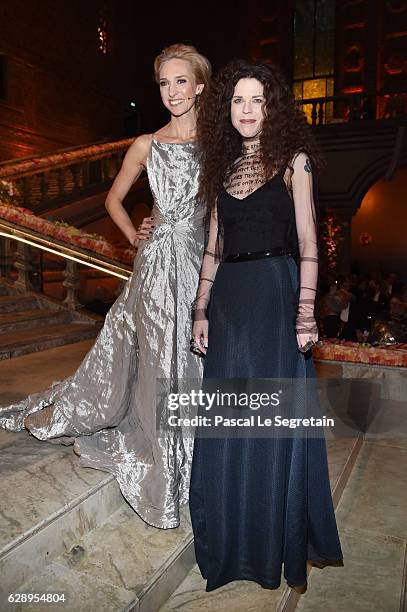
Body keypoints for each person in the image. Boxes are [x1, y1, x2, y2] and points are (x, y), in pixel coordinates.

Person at [0, 44, 211, 530]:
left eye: (182, 81)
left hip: (201, 262)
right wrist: (134, 233)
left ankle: (196, 454)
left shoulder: (217, 143)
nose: (172, 92)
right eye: (164, 83)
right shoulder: (146, 144)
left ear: (200, 86)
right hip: (157, 266)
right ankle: (165, 466)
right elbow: (115, 200)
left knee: (195, 358)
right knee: (161, 358)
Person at [190, 59, 343, 592]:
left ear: (271, 106)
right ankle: (229, 542)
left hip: (275, 298)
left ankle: (267, 543)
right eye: (237, 100)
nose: (247, 110)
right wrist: (201, 308)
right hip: (230, 302)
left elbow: (307, 242)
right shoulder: (221, 168)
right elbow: (214, 245)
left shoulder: (292, 161)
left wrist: (306, 313)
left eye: (256, 100)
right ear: (225, 109)